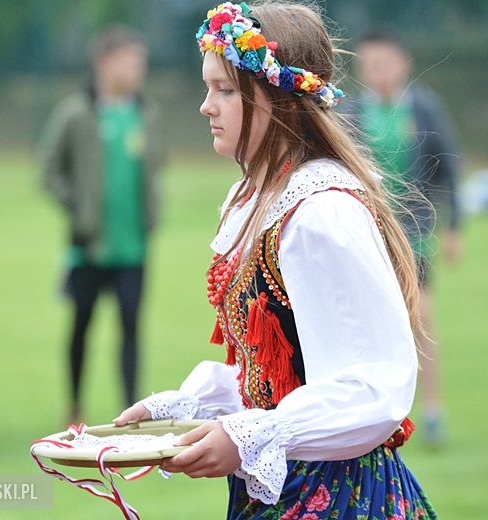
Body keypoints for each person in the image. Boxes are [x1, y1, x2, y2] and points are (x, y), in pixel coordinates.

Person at [113, 2, 437, 518]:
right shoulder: (259, 197)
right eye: (208, 87)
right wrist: (180, 408)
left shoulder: (320, 211)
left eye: (224, 89)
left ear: (277, 99)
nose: (206, 106)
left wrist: (252, 436)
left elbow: (375, 383)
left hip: (337, 496)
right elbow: (278, 373)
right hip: (281, 485)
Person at [39, 25, 163, 423]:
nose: (137, 68)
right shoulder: (77, 112)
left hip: (133, 246)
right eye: (129, 59)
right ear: (104, 62)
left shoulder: (146, 113)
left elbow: (155, 166)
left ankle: (129, 411)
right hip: (89, 245)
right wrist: (78, 208)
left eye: (140, 61)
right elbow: (49, 170)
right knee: (81, 326)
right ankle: (74, 406)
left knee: (130, 327)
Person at [345, 30, 462, 446]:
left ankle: (432, 412)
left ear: (402, 65)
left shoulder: (424, 109)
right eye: (367, 66)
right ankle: (380, 417)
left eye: (382, 64)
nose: (375, 73)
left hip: (414, 238)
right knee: (371, 325)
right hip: (366, 238)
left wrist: (454, 228)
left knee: (421, 320)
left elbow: (448, 169)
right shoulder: (352, 112)